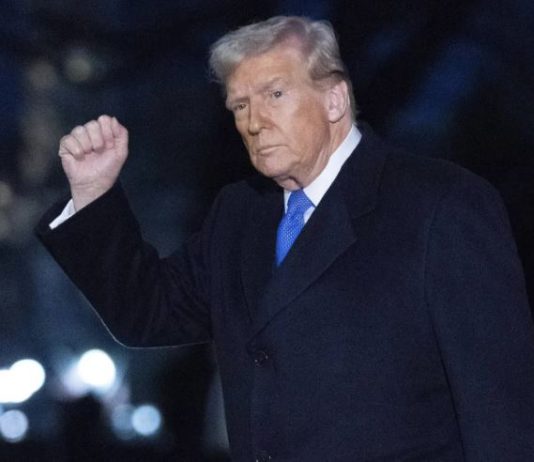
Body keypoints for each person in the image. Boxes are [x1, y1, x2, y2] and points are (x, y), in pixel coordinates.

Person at [36, 16, 534, 461]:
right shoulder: (239, 214)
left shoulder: (439, 203)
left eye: (275, 94)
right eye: (240, 105)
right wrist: (94, 194)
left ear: (334, 99)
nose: (254, 122)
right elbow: (148, 313)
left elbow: (500, 406)